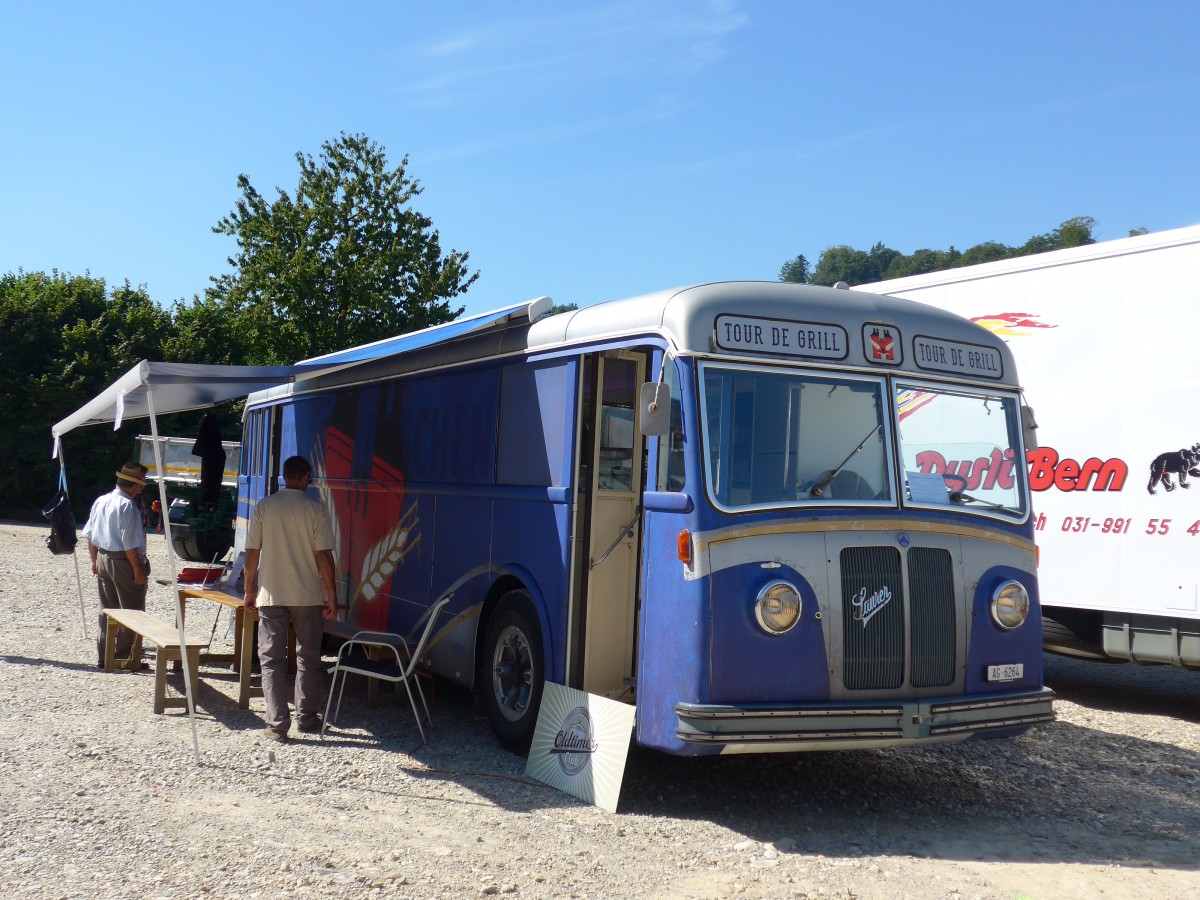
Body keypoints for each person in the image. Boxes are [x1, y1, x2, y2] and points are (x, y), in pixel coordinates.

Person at [244, 455, 337, 742]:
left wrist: (249, 589)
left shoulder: (265, 507)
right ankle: (306, 718)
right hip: (307, 594)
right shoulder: (316, 509)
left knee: (271, 659)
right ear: (307, 476)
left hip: (271, 593)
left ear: (284, 476)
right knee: (308, 656)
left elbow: (252, 554)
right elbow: (323, 556)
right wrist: (331, 594)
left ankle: (276, 724)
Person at [82, 463, 149, 669]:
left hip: (103, 557)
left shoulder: (101, 500)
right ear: (135, 486)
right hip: (122, 561)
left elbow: (90, 535)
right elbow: (129, 542)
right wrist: (137, 569)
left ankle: (105, 655)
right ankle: (125, 658)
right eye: (140, 486)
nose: (141, 489)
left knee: (107, 609)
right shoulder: (127, 505)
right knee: (132, 609)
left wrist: (94, 561)